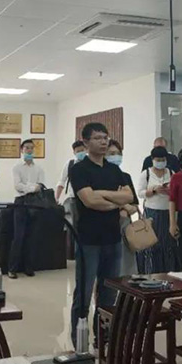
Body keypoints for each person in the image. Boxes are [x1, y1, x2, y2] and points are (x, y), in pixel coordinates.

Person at [69, 122, 135, 349]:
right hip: (88, 241)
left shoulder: (114, 170)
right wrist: (115, 201)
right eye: (98, 138)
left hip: (113, 239)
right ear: (86, 142)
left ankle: (103, 337)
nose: (104, 142)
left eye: (105, 137)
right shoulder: (79, 169)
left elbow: (128, 197)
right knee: (84, 294)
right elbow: (89, 201)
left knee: (109, 294)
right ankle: (79, 342)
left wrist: (103, 195)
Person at [137, 146, 179, 273]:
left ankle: (169, 272)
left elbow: (177, 192)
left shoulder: (171, 173)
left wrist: (169, 190)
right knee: (152, 244)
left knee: (168, 244)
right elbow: (140, 193)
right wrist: (153, 190)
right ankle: (152, 272)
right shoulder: (146, 174)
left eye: (163, 159)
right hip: (152, 213)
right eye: (158, 160)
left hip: (168, 213)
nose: (160, 162)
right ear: (152, 160)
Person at [9, 139, 46, 279]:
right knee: (18, 237)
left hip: (35, 204)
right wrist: (32, 188)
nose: (29, 150)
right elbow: (18, 186)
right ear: (22, 150)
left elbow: (41, 185)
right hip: (21, 202)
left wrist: (31, 187)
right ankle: (12, 269)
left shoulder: (39, 169)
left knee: (32, 236)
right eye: (26, 148)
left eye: (31, 148)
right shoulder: (17, 167)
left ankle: (28, 267)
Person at [106, 139, 139, 275]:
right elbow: (100, 200)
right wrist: (123, 204)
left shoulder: (125, 177)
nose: (116, 156)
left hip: (125, 225)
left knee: (127, 264)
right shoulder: (101, 178)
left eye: (118, 153)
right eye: (111, 153)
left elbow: (134, 205)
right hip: (107, 224)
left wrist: (126, 207)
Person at [56, 140, 87, 227]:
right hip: (73, 199)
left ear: (86, 150)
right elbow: (62, 181)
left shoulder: (91, 163)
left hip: (89, 198)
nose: (81, 153)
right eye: (78, 151)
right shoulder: (70, 164)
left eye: (82, 150)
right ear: (74, 152)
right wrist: (57, 198)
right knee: (73, 224)